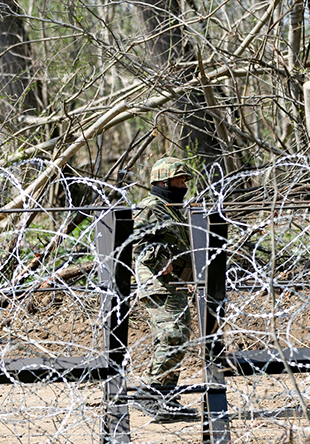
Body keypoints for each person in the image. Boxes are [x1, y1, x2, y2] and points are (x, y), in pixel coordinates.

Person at [132, 157, 199, 422]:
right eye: (179, 180)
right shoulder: (151, 207)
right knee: (173, 335)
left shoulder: (171, 208)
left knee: (176, 337)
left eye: (184, 180)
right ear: (163, 182)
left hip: (175, 283)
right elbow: (134, 241)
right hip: (158, 282)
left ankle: (165, 397)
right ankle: (150, 394)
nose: (183, 185)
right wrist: (162, 260)